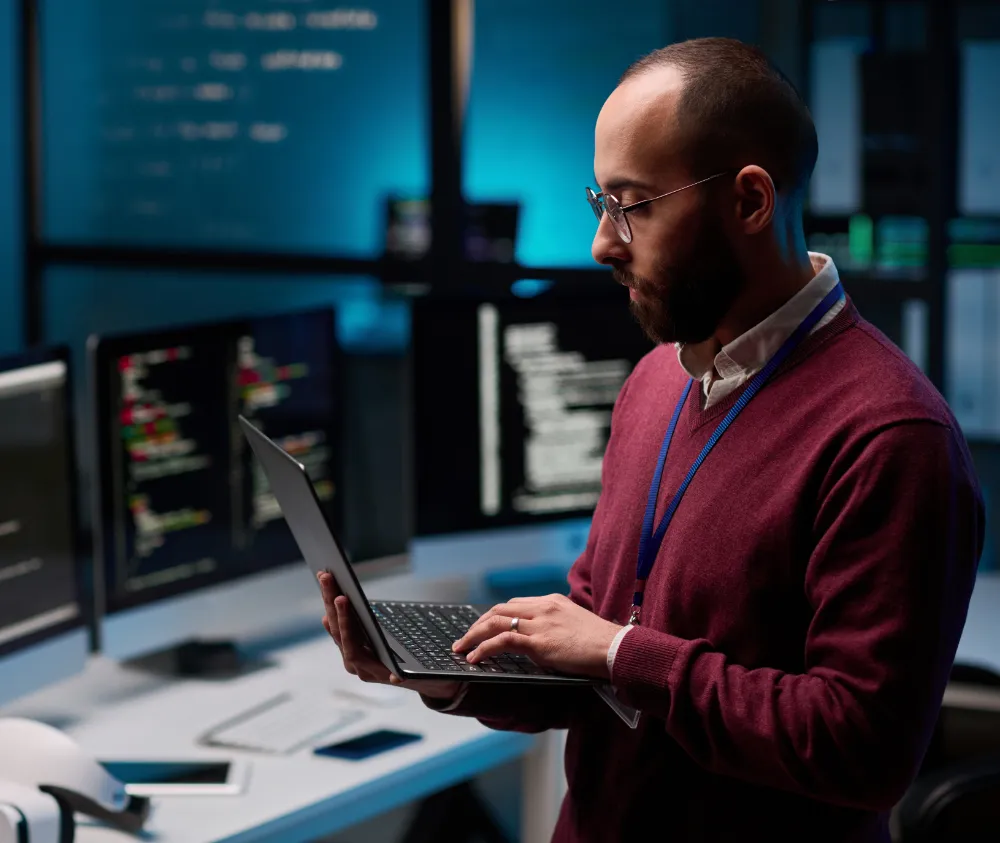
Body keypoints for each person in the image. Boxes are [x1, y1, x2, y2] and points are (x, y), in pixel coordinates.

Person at [319, 37, 984, 843]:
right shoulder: (656, 383)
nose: (603, 243)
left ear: (749, 202)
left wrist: (624, 650)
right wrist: (440, 673)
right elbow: (595, 664)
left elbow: (860, 748)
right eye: (601, 203)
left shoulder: (890, 437)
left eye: (633, 205)